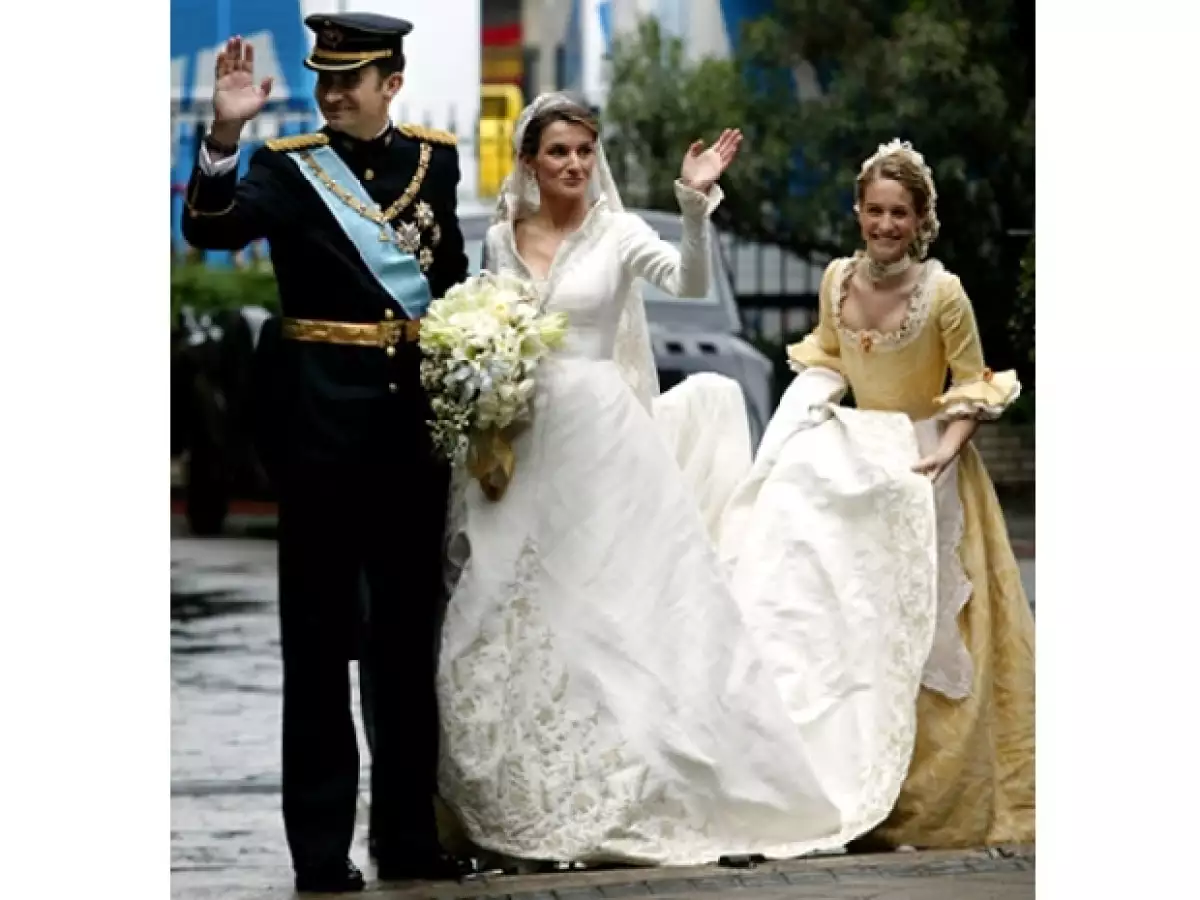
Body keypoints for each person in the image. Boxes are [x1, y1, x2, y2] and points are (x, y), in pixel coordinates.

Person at [435, 92, 943, 867]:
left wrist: (696, 204)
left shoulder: (620, 231)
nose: (573, 164)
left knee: (615, 607)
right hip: (524, 436)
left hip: (604, 441)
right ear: (532, 160)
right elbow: (493, 326)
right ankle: (522, 799)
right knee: (505, 606)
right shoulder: (503, 239)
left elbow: (690, 280)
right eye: (558, 151)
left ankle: (634, 787)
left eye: (583, 150)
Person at [181, 13, 471, 893]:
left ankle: (408, 840)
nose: (335, 93)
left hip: (409, 434)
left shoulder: (436, 161)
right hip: (317, 434)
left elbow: (449, 277)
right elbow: (213, 229)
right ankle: (318, 850)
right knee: (315, 646)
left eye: (354, 79)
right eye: (326, 80)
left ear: (392, 82)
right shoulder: (286, 165)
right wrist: (228, 131)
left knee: (405, 644)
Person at [785, 140, 1035, 848]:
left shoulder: (943, 291)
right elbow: (830, 362)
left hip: (933, 467)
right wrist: (806, 426)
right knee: (857, 624)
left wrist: (943, 453)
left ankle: (932, 795)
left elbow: (972, 381)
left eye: (900, 213)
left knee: (929, 634)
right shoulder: (837, 279)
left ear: (921, 219)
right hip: (864, 471)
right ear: (858, 212)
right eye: (874, 210)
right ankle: (855, 780)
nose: (885, 224)